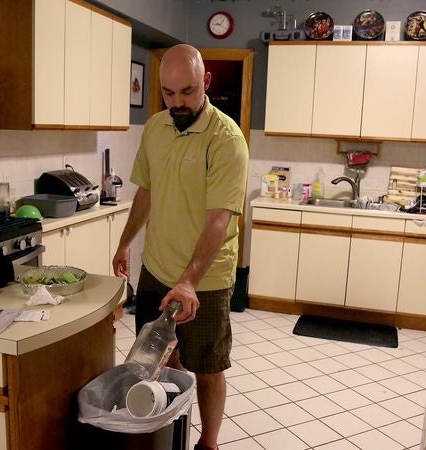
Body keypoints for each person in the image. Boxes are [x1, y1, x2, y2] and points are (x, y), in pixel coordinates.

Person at [112, 44, 248, 450]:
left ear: (205, 82)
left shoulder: (227, 140)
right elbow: (146, 191)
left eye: (187, 92)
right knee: (155, 358)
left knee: (207, 366)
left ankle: (209, 441)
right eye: (168, 94)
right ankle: (165, 429)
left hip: (204, 279)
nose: (178, 102)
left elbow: (219, 219)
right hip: (157, 268)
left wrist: (188, 281)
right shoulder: (155, 127)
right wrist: (124, 243)